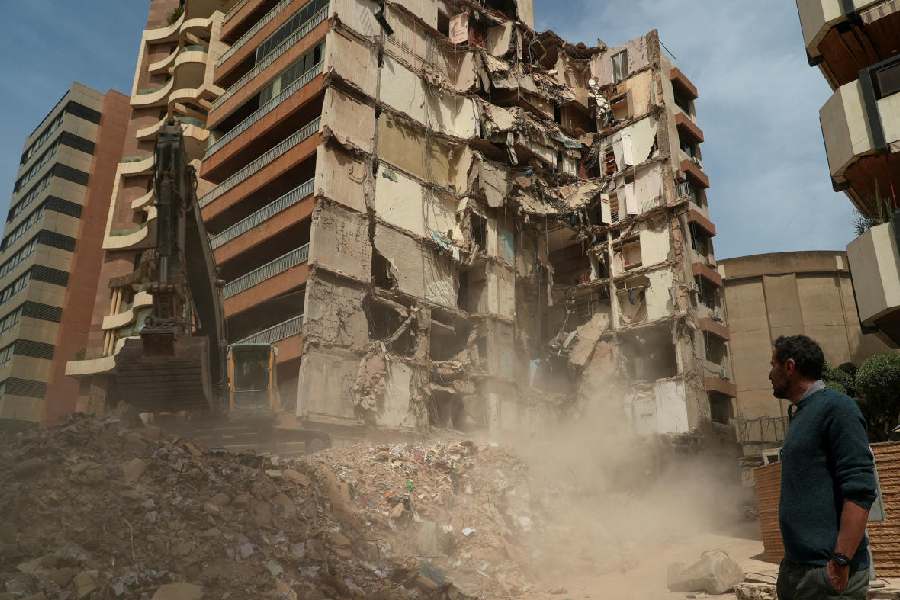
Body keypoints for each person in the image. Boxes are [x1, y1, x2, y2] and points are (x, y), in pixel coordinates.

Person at [771, 335, 877, 599]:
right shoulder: (801, 413)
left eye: (773, 365)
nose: (769, 374)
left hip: (829, 575)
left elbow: (860, 490)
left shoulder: (837, 408)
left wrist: (840, 561)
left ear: (790, 367)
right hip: (798, 570)